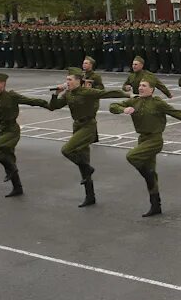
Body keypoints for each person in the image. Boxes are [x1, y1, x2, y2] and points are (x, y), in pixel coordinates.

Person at [109, 81, 181, 217]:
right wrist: (123, 109)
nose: (141, 88)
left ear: (152, 90)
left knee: (132, 156)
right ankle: (156, 205)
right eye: (140, 86)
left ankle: (148, 174)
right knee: (151, 173)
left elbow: (176, 112)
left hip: (154, 139)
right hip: (142, 139)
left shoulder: (157, 102)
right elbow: (112, 106)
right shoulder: (134, 101)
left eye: (144, 86)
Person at [48, 67, 126, 207]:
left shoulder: (87, 92)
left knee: (67, 150)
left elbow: (106, 93)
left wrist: (127, 94)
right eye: (66, 79)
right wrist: (56, 94)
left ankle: (88, 169)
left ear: (78, 81)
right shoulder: (68, 94)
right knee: (83, 160)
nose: (67, 82)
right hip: (77, 126)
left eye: (70, 80)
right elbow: (54, 107)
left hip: (88, 126)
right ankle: (90, 196)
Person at [0, 73, 50, 197]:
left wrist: (47, 104)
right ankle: (17, 188)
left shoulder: (11, 96)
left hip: (12, 129)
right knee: (8, 156)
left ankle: (12, 170)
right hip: (2, 129)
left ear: (2, 84)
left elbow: (29, 101)